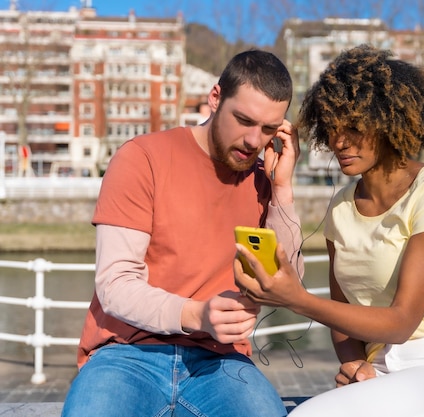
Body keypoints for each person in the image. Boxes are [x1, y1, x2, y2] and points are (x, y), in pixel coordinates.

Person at [234, 45, 424, 417]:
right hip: (379, 373)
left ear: (388, 122)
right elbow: (343, 312)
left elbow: (402, 322)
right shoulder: (341, 206)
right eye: (332, 128)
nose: (339, 142)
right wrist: (354, 364)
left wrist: (297, 300)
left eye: (354, 127)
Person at [62, 49, 302, 417]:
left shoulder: (262, 180)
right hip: (126, 352)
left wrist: (282, 191)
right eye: (244, 120)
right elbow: (115, 284)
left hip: (220, 361)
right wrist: (196, 314)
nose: (254, 141)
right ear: (215, 98)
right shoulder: (142, 158)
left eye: (269, 129)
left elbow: (287, 287)